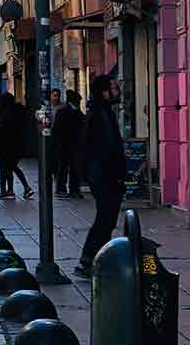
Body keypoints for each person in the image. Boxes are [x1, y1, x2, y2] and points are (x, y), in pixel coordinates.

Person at [76, 73, 126, 278]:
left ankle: (95, 260)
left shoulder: (102, 111)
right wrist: (115, 175)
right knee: (105, 219)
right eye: (114, 88)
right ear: (105, 92)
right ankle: (89, 260)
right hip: (104, 176)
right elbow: (107, 148)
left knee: (107, 219)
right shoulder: (100, 114)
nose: (118, 91)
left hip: (104, 175)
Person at [0, 92, 34, 199]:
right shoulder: (18, 110)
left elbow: (5, 127)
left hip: (6, 144)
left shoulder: (7, 113)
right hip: (17, 144)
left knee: (7, 167)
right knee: (12, 167)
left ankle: (11, 190)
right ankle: (21, 188)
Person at [53, 89, 85, 199]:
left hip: (68, 145)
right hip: (67, 145)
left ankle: (67, 189)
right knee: (66, 167)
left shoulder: (65, 112)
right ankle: (69, 189)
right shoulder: (72, 113)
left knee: (68, 167)